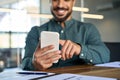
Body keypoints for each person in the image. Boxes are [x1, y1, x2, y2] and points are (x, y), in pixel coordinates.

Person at [21, 0, 110, 71]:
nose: (60, 4)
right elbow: (24, 63)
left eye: (66, 0)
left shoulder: (88, 29)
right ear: (50, 1)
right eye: (55, 0)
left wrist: (80, 49)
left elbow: (105, 55)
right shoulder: (35, 32)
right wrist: (34, 64)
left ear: (73, 2)